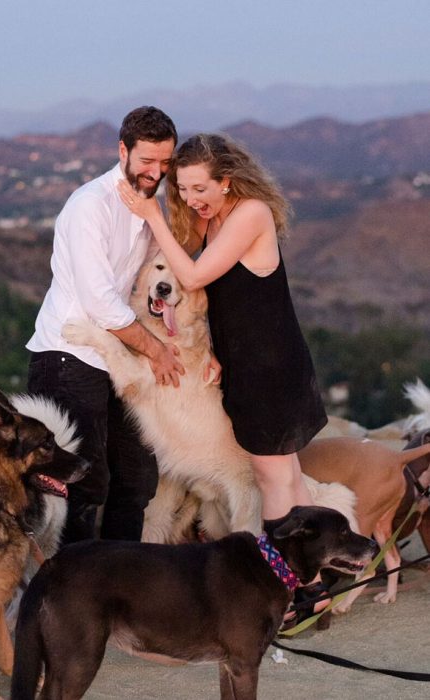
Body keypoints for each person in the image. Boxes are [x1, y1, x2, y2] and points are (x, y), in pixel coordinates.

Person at [118, 133, 329, 616]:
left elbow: (193, 279)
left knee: (274, 483)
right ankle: (309, 589)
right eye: (183, 190)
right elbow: (228, 298)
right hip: (247, 365)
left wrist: (152, 214)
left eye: (199, 189)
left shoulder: (250, 213)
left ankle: (286, 594)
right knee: (290, 481)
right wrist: (214, 348)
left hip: (270, 369)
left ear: (227, 181)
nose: (191, 200)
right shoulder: (212, 220)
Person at [26, 106, 184, 543]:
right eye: (147, 161)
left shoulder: (151, 207)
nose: (156, 171)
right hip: (68, 355)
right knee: (81, 483)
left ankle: (121, 583)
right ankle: (65, 593)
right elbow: (102, 304)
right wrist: (156, 351)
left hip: (118, 358)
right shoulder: (90, 206)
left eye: (165, 163)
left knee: (136, 479)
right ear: (123, 151)